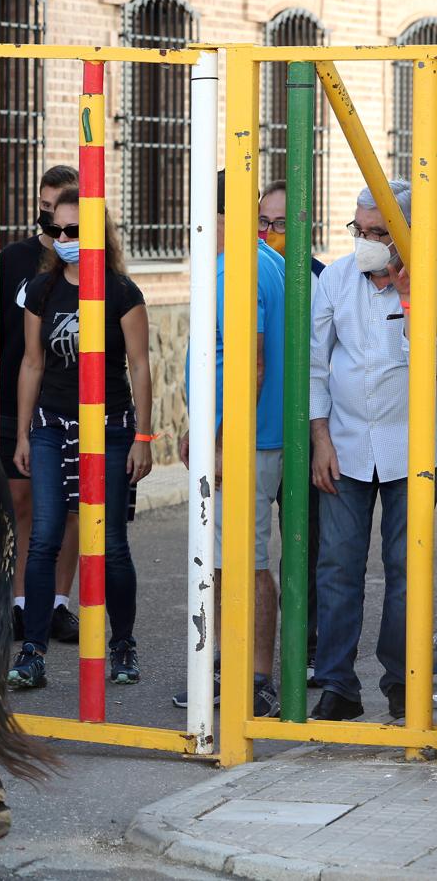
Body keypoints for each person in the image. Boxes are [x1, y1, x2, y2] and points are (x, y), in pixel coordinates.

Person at [7, 188, 153, 690]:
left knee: (109, 543)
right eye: (57, 230)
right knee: (45, 537)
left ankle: (123, 644)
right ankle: (33, 652)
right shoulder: (41, 290)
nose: (65, 239)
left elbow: (141, 366)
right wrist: (25, 433)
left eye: (76, 231)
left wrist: (144, 437)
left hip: (110, 426)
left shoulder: (122, 293)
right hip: (51, 425)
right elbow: (32, 361)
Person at [173, 172, 287, 718]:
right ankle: (226, 668)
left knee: (244, 563)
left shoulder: (238, 268)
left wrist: (217, 441)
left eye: (199, 209)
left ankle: (256, 677)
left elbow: (250, 365)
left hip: (246, 442)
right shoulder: (259, 260)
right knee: (225, 561)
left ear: (221, 214)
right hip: (245, 437)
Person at [308, 181, 413, 722]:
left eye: (378, 233)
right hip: (345, 445)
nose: (365, 242)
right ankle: (338, 686)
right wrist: (320, 439)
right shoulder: (336, 282)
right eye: (359, 230)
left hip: (410, 451)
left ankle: (402, 683)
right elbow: (314, 364)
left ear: (403, 236)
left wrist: (411, 296)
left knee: (408, 567)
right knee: (338, 567)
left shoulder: (424, 280)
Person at [0, 165, 82, 644]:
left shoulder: (91, 263)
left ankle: (57, 603)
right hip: (14, 394)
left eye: (61, 208)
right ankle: (17, 603)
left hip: (72, 396)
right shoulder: (13, 258)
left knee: (72, 506)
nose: (52, 219)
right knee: (20, 501)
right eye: (45, 207)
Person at [259, 179, 322, 685]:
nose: (270, 232)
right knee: (254, 552)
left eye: (280, 224)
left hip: (307, 436)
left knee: (305, 546)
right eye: (264, 222)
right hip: (263, 434)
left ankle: (307, 649)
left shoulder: (325, 279)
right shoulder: (253, 274)